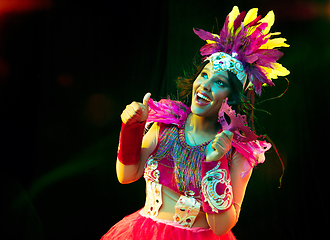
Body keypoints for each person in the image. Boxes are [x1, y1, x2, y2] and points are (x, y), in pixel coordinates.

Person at [101, 6, 289, 240]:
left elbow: (221, 227)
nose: (205, 86)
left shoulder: (239, 151)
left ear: (231, 97)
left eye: (219, 83)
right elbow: (127, 175)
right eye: (204, 75)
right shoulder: (164, 125)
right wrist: (131, 127)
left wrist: (215, 162)